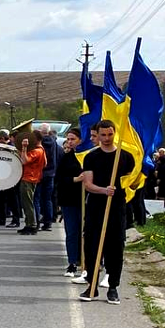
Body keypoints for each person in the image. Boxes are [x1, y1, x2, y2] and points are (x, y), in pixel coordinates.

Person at [76, 119, 136, 304]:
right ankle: (91, 286)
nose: (107, 138)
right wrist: (104, 190)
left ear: (114, 132)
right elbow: (88, 184)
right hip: (96, 206)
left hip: (117, 208)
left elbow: (133, 180)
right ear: (98, 135)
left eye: (110, 134)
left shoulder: (125, 157)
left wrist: (130, 185)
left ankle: (113, 287)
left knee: (115, 248)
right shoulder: (91, 157)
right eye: (103, 135)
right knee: (93, 246)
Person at [55, 128, 85, 277]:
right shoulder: (66, 158)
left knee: (86, 232)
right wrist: (75, 179)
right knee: (72, 232)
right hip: (70, 200)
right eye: (68, 139)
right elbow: (59, 179)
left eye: (73, 139)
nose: (70, 142)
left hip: (87, 200)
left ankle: (86, 261)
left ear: (80, 140)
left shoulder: (88, 157)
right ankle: (72, 263)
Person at [18, 130, 46, 236]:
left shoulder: (37, 151)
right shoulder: (41, 150)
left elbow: (24, 161)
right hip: (33, 177)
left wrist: (24, 148)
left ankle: (32, 225)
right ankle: (28, 224)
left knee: (28, 203)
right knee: (27, 203)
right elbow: (45, 163)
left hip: (29, 178)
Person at [38, 123, 59, 231]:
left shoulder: (40, 143)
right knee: (48, 199)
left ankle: (36, 222)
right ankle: (48, 222)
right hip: (51, 173)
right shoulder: (54, 141)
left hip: (41, 173)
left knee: (37, 198)